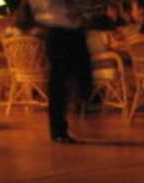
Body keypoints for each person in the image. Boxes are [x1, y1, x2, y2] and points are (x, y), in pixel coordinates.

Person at [29, 0, 95, 143]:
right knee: (59, 82)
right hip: (58, 31)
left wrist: (82, 13)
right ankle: (58, 130)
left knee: (81, 76)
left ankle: (81, 104)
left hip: (75, 30)